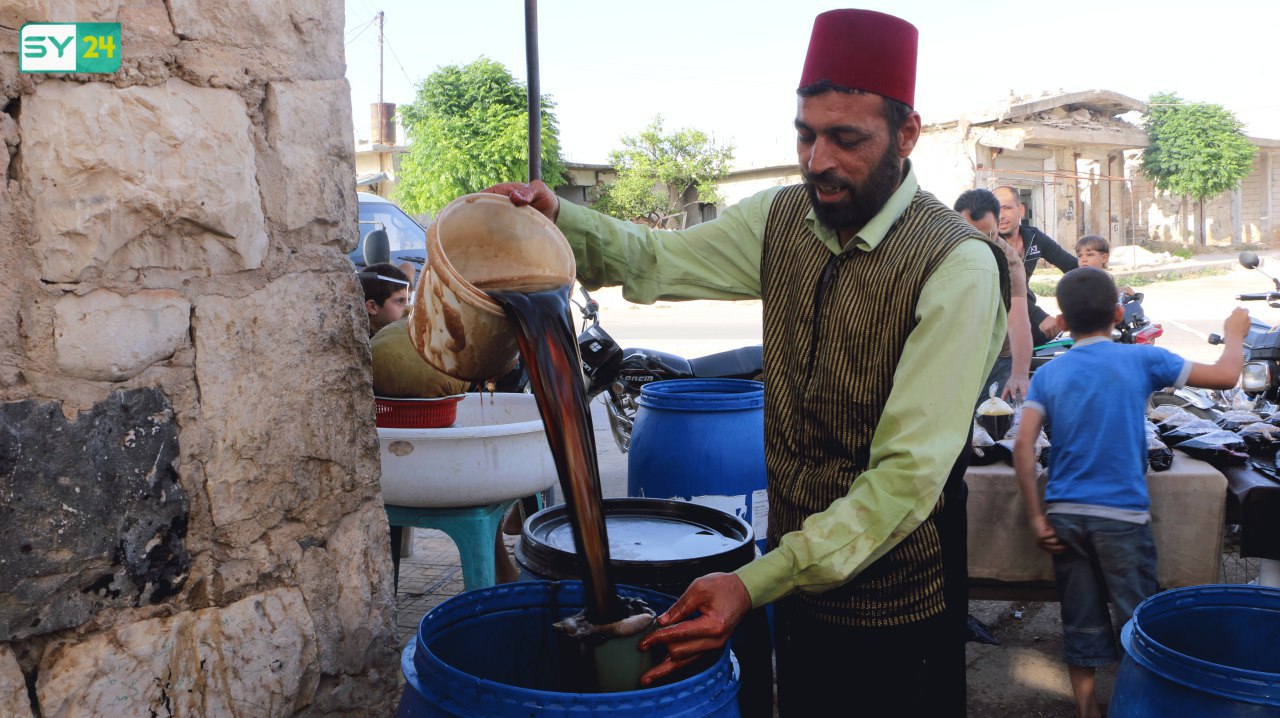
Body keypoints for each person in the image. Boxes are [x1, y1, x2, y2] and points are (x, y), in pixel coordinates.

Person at [485, 9, 1008, 714]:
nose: (818, 160)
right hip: (797, 588)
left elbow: (906, 481)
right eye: (806, 134)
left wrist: (756, 580)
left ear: (906, 134)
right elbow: (656, 260)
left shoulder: (955, 267)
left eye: (846, 139)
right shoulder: (783, 220)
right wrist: (559, 217)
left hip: (896, 607)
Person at [1013, 267, 1246, 718]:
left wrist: (1037, 517)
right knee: (1138, 620)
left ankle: (1086, 709)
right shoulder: (1143, 360)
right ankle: (1135, 704)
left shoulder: (1050, 375)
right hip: (1121, 516)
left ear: (1062, 320)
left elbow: (1024, 447)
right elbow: (1227, 375)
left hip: (1064, 516)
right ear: (1119, 314)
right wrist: (1234, 332)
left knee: (1079, 615)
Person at [956, 188, 1032, 403]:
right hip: (957, 350)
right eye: (971, 235)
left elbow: (1017, 319)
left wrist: (1019, 374)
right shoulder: (940, 249)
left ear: (997, 225)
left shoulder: (1010, 262)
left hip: (998, 357)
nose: (982, 243)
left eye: (989, 235)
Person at [993, 186, 1078, 346]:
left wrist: (1107, 286)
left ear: (1021, 210)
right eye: (995, 209)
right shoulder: (989, 245)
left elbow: (1072, 266)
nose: (1001, 216)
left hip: (1025, 311)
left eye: (1007, 208)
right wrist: (1040, 317)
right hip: (996, 320)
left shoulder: (1034, 237)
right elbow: (1002, 290)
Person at [358, 262, 410, 337]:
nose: (408, 309)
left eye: (409, 300)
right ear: (372, 307)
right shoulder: (361, 344)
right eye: (400, 301)